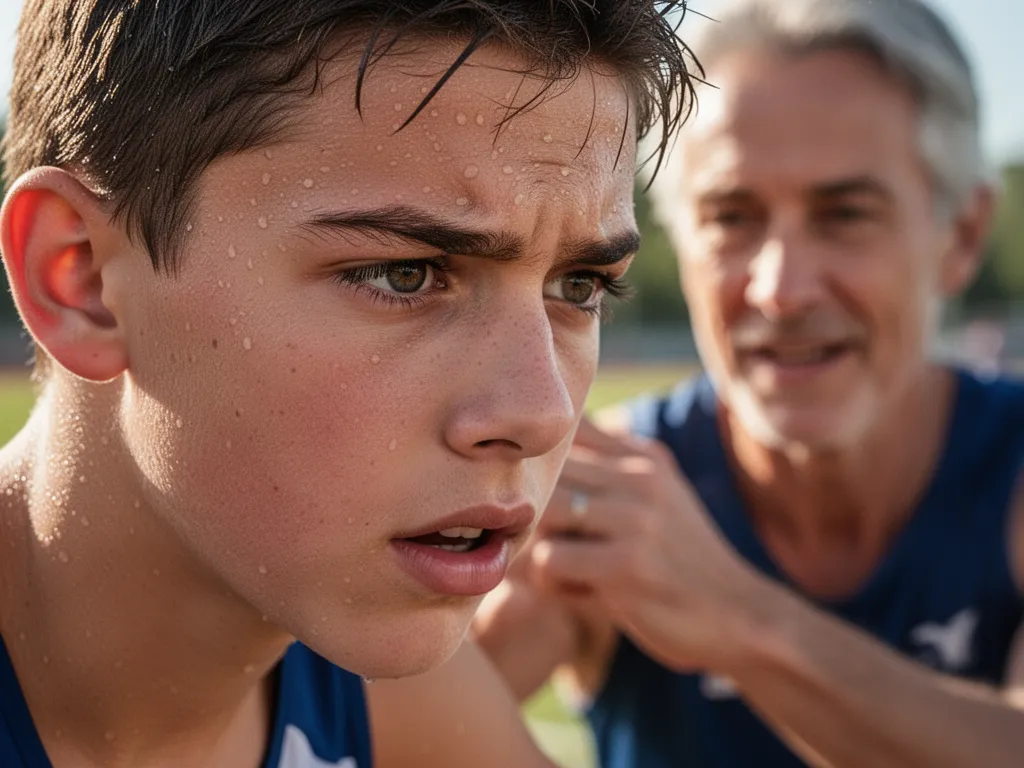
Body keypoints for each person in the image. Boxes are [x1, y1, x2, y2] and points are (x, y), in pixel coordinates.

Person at [0, 2, 695, 767]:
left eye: (579, 286)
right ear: (81, 279)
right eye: (405, 275)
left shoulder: (390, 697)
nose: (542, 412)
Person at [473, 0, 1024, 765]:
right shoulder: (608, 502)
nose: (781, 288)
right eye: (732, 216)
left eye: (845, 215)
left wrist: (737, 617)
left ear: (960, 236)